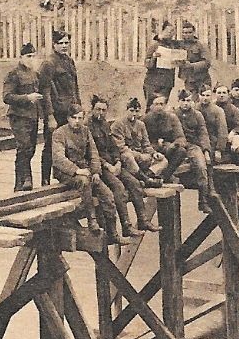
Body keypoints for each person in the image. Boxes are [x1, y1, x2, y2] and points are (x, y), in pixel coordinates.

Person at [49, 105, 127, 244]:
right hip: (66, 173)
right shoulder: (59, 133)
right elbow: (58, 158)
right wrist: (76, 170)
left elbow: (94, 153)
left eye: (80, 118)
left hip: (86, 171)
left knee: (108, 195)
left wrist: (96, 171)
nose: (77, 121)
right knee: (84, 182)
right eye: (74, 118)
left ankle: (113, 234)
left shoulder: (85, 131)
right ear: (68, 118)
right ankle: (92, 220)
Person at [88, 95, 154, 234]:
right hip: (99, 167)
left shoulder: (105, 125)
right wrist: (107, 165)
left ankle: (143, 220)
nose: (100, 113)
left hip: (113, 164)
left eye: (104, 110)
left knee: (135, 183)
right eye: (98, 109)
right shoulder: (87, 127)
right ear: (92, 109)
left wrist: (117, 162)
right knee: (119, 188)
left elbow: (113, 147)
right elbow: (91, 154)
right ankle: (126, 226)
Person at [1, 41, 46, 191]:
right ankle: (26, 180)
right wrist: (27, 98)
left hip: (32, 117)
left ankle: (19, 182)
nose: (31, 59)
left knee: (31, 148)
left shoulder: (35, 74)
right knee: (24, 147)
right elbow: (7, 96)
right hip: (19, 117)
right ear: (21, 57)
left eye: (33, 56)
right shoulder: (13, 74)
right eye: (28, 56)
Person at [40, 29, 81, 185]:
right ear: (54, 45)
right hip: (56, 113)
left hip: (70, 112)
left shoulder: (69, 61)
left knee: (70, 144)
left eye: (66, 43)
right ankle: (45, 180)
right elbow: (45, 91)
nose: (64, 46)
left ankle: (64, 176)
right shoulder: (49, 64)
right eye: (61, 43)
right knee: (51, 145)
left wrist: (79, 108)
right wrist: (49, 116)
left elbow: (75, 87)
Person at [113, 97, 170, 184]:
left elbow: (146, 144)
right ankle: (147, 180)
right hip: (126, 157)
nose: (134, 114)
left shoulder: (141, 124)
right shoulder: (118, 124)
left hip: (140, 157)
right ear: (126, 110)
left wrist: (154, 153)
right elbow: (120, 147)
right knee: (127, 156)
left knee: (163, 160)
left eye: (137, 111)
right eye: (131, 111)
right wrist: (138, 155)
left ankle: (146, 176)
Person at [143, 20, 182, 109]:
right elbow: (147, 64)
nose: (171, 34)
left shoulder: (174, 46)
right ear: (162, 31)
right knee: (151, 107)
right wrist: (154, 57)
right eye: (168, 31)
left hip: (167, 83)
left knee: (162, 108)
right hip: (153, 82)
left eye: (173, 31)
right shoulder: (154, 46)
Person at [176, 21, 212, 96]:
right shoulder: (180, 45)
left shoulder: (201, 45)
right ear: (182, 33)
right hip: (188, 80)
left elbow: (207, 62)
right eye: (185, 33)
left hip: (202, 79)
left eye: (189, 32)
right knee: (190, 102)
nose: (187, 35)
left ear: (194, 32)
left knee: (204, 101)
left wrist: (192, 65)